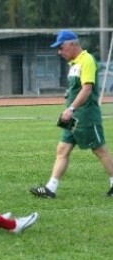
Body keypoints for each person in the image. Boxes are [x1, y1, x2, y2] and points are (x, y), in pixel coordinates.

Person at [30, 29, 113, 198]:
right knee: (62, 150)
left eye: (61, 47)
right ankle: (50, 189)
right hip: (73, 116)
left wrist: (70, 109)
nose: (59, 52)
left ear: (73, 44)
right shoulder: (74, 64)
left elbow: (87, 89)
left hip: (86, 115)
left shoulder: (87, 60)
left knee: (100, 151)